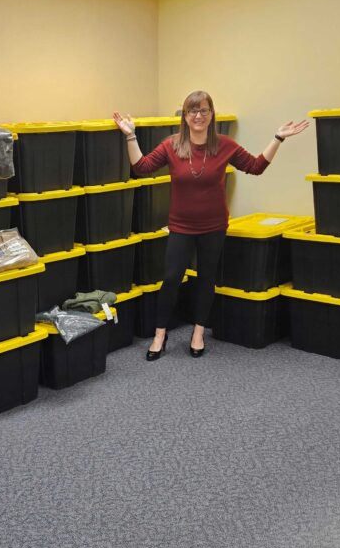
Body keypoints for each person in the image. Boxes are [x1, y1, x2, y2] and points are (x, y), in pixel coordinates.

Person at [113, 91, 308, 361]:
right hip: (181, 226)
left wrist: (277, 138)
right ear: (185, 116)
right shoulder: (171, 145)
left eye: (204, 111)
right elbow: (141, 167)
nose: (198, 116)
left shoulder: (224, 145)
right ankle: (160, 334)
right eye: (192, 111)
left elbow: (255, 166)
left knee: (206, 278)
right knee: (171, 278)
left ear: (211, 114)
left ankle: (198, 332)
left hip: (214, 226)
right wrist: (130, 135)